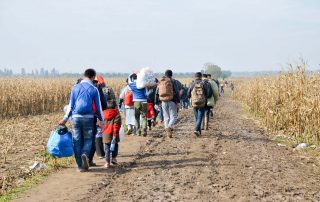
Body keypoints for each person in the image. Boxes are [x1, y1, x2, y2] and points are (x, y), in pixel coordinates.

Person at [59, 69, 104, 172]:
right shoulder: (94, 89)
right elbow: (98, 107)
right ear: (93, 77)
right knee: (88, 139)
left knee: (76, 141)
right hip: (88, 118)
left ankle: (80, 166)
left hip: (76, 118)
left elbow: (71, 105)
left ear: (84, 76)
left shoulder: (75, 88)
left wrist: (65, 118)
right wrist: (102, 121)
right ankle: (85, 153)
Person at [155, 69, 180, 138]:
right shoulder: (173, 81)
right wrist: (178, 102)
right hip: (172, 100)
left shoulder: (161, 81)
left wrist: (157, 102)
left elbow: (157, 93)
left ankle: (167, 129)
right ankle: (169, 127)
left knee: (166, 117)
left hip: (163, 101)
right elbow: (177, 92)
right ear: (171, 75)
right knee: (174, 116)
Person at [102, 91, 121, 168]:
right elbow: (116, 125)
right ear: (114, 107)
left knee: (107, 148)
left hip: (105, 133)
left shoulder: (103, 114)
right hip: (114, 134)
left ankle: (107, 162)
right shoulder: (116, 114)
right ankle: (114, 158)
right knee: (115, 146)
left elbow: (100, 124)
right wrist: (115, 133)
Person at [91, 75, 107, 162]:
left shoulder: (83, 88)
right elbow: (104, 103)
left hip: (85, 114)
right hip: (98, 113)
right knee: (98, 132)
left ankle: (89, 157)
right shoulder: (100, 89)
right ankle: (100, 153)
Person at [188, 72, 209, 137]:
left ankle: (198, 131)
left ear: (195, 77)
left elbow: (188, 94)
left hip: (194, 103)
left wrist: (190, 98)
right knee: (200, 117)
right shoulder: (204, 83)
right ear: (201, 77)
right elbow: (207, 93)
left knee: (197, 117)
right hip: (202, 103)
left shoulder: (192, 84)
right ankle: (197, 129)